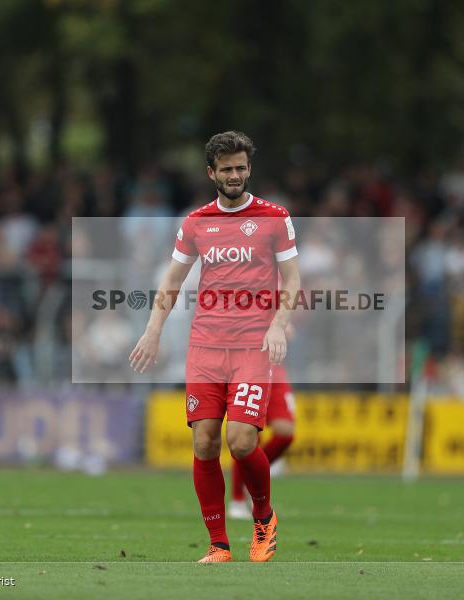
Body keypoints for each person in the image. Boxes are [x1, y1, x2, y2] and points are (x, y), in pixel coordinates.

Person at [129, 131, 300, 563]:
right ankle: (219, 545)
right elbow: (171, 282)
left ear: (249, 168)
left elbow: (293, 281)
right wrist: (153, 330)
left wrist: (279, 324)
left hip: (251, 348)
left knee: (242, 441)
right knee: (205, 443)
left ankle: (264, 519)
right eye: (227, 169)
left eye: (241, 167)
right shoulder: (195, 223)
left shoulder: (275, 217)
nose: (235, 175)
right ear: (212, 173)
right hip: (206, 347)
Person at [229, 361, 296, 520]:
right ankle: (237, 500)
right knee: (246, 438)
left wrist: (283, 334)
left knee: (285, 433)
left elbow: (290, 335)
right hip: (248, 366)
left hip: (275, 370)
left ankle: (252, 476)